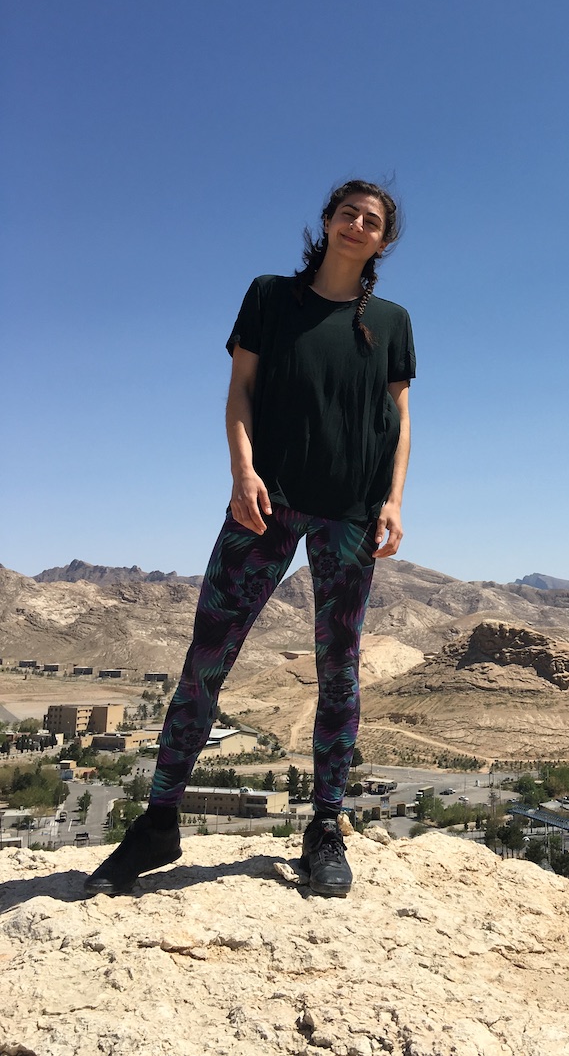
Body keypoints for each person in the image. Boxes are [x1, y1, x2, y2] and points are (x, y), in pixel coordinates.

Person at [84, 180, 414, 898]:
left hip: (351, 516)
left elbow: (399, 416)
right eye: (348, 213)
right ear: (326, 223)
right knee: (207, 659)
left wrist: (391, 498)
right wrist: (242, 472)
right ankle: (159, 820)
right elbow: (240, 389)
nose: (358, 224)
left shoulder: (391, 321)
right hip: (264, 506)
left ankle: (325, 827)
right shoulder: (270, 297)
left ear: (383, 241)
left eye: (374, 220)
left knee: (340, 673)